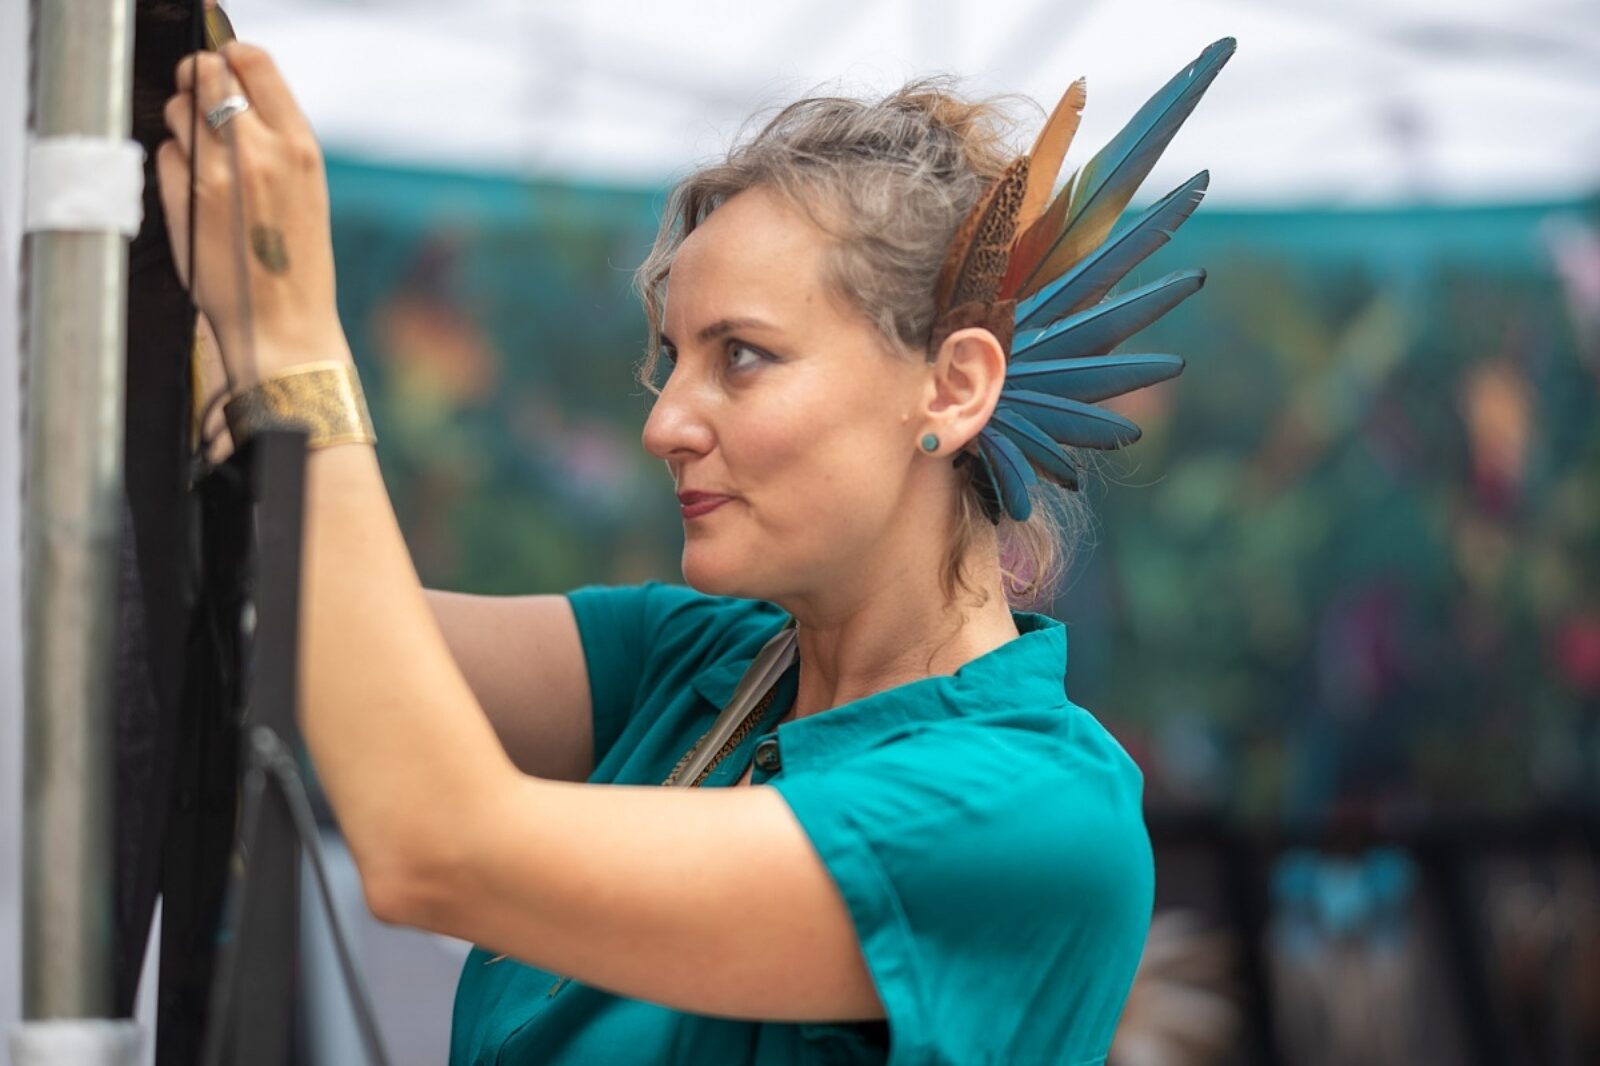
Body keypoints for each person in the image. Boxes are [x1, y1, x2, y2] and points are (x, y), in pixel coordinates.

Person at [159, 33, 1231, 1066]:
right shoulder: (696, 664)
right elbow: (292, 611)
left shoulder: (1032, 810)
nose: (665, 422)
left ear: (953, 388)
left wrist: (291, 339)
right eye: (672, 358)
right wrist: (208, 322)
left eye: (743, 357)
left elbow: (437, 850)